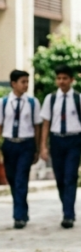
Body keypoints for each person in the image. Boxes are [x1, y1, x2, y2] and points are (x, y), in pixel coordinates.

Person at [39, 65, 81, 228]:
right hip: (56, 140)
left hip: (73, 140)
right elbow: (46, 123)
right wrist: (43, 145)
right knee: (60, 179)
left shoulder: (79, 98)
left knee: (70, 177)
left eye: (65, 78)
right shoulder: (51, 98)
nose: (61, 81)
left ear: (71, 80)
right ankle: (66, 208)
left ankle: (68, 214)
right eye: (59, 78)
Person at [1, 70, 42, 229]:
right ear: (13, 83)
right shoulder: (3, 102)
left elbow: (37, 127)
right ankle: (23, 211)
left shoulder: (33, 102)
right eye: (23, 82)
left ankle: (18, 216)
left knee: (20, 179)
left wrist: (37, 148)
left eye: (27, 82)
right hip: (9, 143)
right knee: (12, 179)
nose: (26, 85)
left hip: (26, 144)